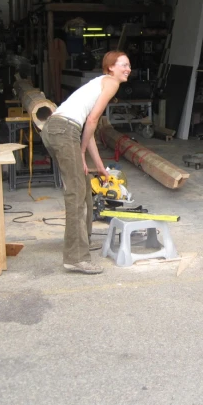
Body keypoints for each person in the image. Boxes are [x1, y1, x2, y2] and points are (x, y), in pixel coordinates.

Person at [41, 51, 131, 274]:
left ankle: (84, 241)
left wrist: (99, 167)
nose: (128, 69)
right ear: (110, 68)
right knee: (76, 193)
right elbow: (91, 121)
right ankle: (76, 257)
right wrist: (81, 154)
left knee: (84, 185)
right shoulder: (111, 83)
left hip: (58, 129)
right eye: (124, 65)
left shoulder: (98, 84)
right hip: (64, 131)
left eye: (129, 65)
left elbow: (89, 131)